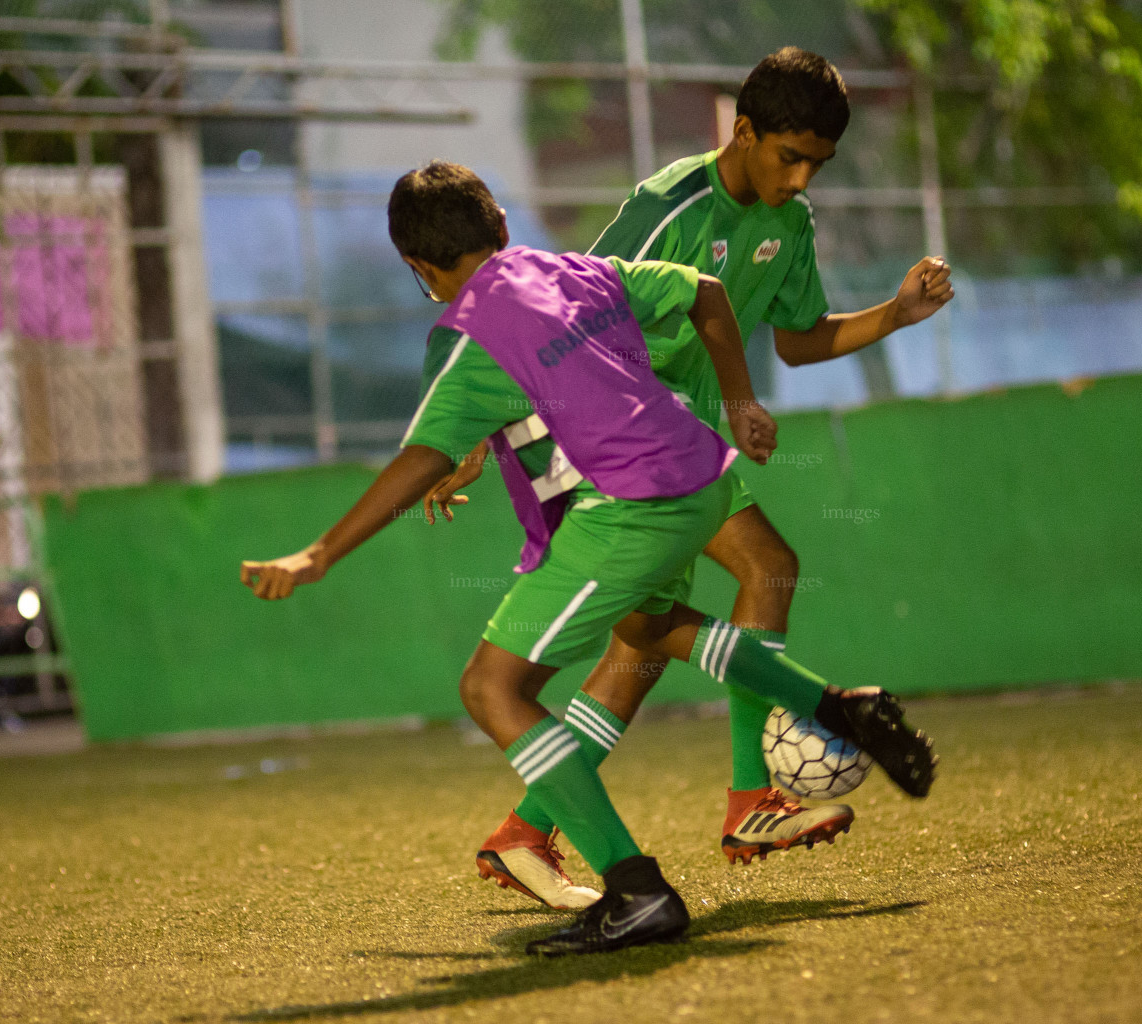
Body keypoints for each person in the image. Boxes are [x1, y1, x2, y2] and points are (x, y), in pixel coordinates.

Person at [240, 161, 936, 956]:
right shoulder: (571, 269)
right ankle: (838, 708)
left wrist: (318, 553)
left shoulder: (464, 338)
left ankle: (635, 890)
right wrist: (741, 401)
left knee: (493, 686)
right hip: (702, 475)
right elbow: (706, 297)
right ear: (501, 224)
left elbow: (421, 458)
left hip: (628, 509)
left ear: (417, 268)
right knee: (647, 623)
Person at [427, 47, 953, 897]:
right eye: (790, 157)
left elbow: (800, 337)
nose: (800, 178)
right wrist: (481, 439)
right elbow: (553, 310)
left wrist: (895, 313)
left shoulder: (792, 226)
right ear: (742, 133)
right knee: (736, 582)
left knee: (652, 641)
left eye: (818, 164)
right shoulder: (664, 206)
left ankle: (530, 830)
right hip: (616, 448)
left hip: (678, 449)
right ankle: (748, 795)